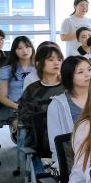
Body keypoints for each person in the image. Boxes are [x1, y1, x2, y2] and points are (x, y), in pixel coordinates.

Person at [13, 44, 64, 173]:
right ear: (39, 63)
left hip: (69, 137)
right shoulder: (32, 89)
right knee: (47, 175)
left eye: (59, 59)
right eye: (51, 60)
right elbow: (24, 116)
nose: (56, 63)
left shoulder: (68, 86)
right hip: (42, 141)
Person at [47, 56, 91, 167]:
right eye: (80, 72)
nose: (88, 74)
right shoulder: (57, 105)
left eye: (90, 69)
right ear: (69, 76)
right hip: (75, 159)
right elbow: (56, 143)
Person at [0, 36, 35, 120]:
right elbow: (2, 98)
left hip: (37, 106)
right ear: (14, 51)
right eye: (20, 48)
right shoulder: (6, 70)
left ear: (32, 48)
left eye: (27, 47)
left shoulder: (40, 68)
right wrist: (19, 108)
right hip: (15, 107)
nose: (25, 51)